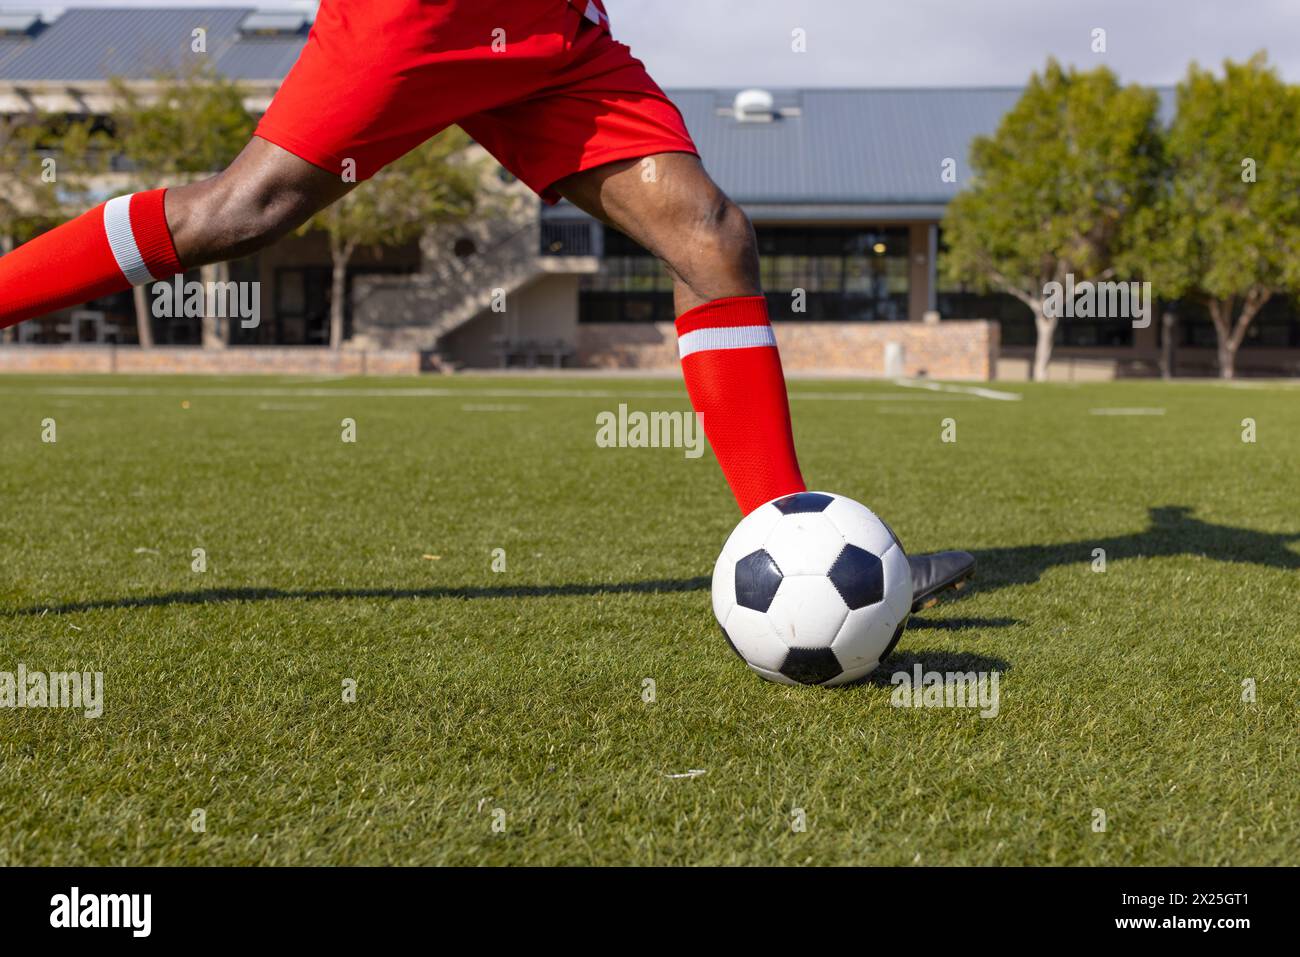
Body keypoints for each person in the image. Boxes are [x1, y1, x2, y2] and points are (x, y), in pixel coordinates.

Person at [0, 0, 972, 610]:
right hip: (421, 14)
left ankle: (792, 549)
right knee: (240, 212)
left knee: (710, 235)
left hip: (549, 32)